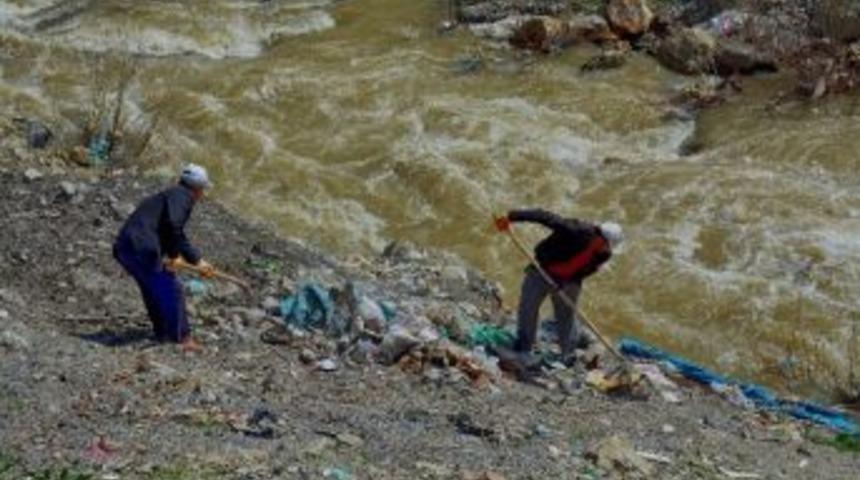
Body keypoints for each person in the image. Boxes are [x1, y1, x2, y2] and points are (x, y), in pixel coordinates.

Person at [495, 209, 623, 364]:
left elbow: (588, 269)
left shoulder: (603, 254)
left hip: (569, 281)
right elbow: (543, 216)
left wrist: (565, 282)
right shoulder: (575, 230)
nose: (607, 250)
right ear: (600, 238)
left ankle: (568, 355)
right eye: (606, 245)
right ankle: (524, 348)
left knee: (566, 315)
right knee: (528, 307)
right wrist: (511, 217)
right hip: (542, 270)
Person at [113, 164, 215, 350]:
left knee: (151, 288)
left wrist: (197, 260)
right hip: (142, 246)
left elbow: (175, 233)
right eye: (203, 190)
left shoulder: (169, 196)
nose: (203, 195)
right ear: (197, 188)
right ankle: (183, 338)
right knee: (171, 287)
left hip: (125, 247)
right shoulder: (182, 196)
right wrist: (175, 257)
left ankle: (163, 332)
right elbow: (174, 226)